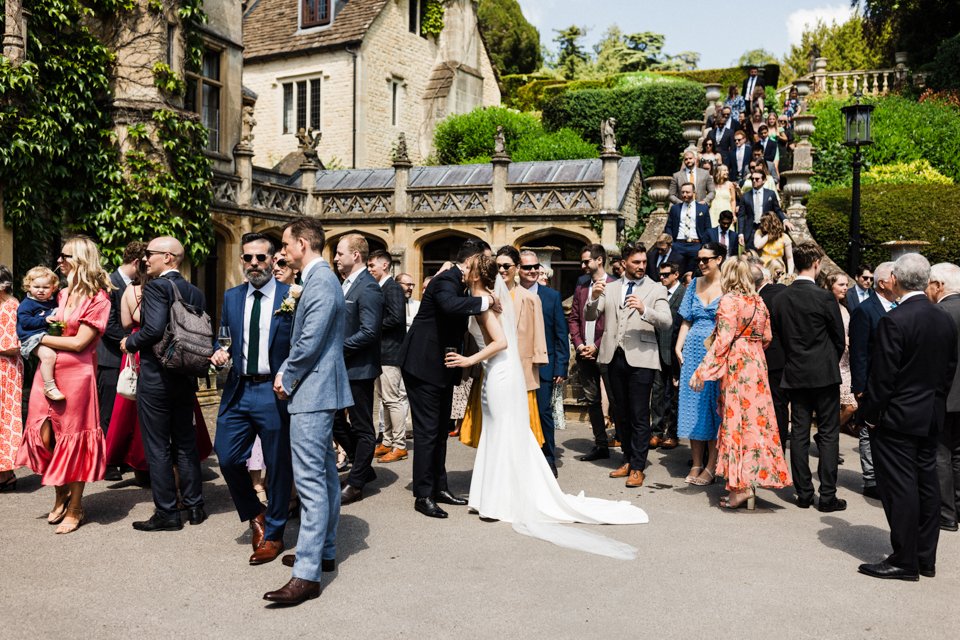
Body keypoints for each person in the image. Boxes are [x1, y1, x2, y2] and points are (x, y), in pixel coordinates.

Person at [445, 254, 649, 559]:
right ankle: (490, 497)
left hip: (500, 370)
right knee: (499, 434)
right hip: (497, 372)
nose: (463, 270)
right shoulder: (482, 295)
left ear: (476, 274)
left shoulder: (485, 300)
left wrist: (468, 360)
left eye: (468, 267)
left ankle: (500, 501)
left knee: (503, 433)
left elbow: (500, 341)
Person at [264, 217, 352, 605]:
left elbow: (309, 341)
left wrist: (287, 375)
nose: (282, 252)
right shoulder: (320, 279)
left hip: (313, 390)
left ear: (302, 243)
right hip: (321, 389)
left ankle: (307, 574)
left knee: (311, 480)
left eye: (285, 245)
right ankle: (324, 551)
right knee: (326, 475)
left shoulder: (319, 282)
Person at [858, 253, 958, 582]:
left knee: (900, 488)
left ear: (897, 281)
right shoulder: (942, 318)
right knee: (926, 485)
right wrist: (935, 403)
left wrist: (871, 415)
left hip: (897, 417)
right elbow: (948, 370)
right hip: (929, 413)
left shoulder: (895, 320)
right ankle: (924, 558)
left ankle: (904, 559)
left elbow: (883, 377)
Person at [16, 237, 111, 534]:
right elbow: (32, 319)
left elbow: (80, 342)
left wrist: (34, 340)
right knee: (45, 437)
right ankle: (60, 492)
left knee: (74, 440)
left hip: (77, 376)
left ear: (80, 259)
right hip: (48, 373)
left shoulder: (99, 298)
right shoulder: (61, 294)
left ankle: (75, 506)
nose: (59, 261)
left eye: (64, 256)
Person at [210, 233, 294, 565]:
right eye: (247, 258)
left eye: (261, 257)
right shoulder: (232, 297)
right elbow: (224, 337)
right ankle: (254, 512)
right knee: (227, 456)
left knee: (277, 463)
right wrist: (220, 352)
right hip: (238, 387)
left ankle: (273, 533)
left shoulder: (292, 296)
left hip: (274, 391)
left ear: (274, 260)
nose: (254, 264)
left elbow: (301, 344)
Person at [400, 239, 493, 519]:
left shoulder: (459, 281)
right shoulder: (445, 280)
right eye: (485, 260)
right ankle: (423, 495)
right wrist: (487, 300)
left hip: (441, 367)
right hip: (422, 365)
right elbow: (451, 306)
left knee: (440, 431)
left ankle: (440, 487)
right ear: (472, 260)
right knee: (428, 433)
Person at [121, 236, 208, 531]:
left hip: (157, 376)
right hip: (185, 375)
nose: (146, 259)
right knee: (185, 442)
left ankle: (168, 512)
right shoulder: (194, 291)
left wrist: (129, 341)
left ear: (168, 257)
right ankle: (195, 507)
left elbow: (154, 330)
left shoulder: (157, 287)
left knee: (158, 446)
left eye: (150, 254)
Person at [691, 257, 791, 509]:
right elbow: (767, 336)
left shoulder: (728, 301)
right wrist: (752, 346)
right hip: (757, 364)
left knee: (736, 424)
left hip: (736, 365)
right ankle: (751, 484)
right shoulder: (759, 301)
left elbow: (723, 340)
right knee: (757, 424)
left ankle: (739, 489)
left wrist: (701, 371)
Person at [104, 259, 213, 486]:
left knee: (154, 436)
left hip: (148, 358)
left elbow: (138, 325)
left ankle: (166, 505)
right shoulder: (194, 291)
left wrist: (131, 341)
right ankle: (193, 501)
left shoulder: (139, 290)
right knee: (184, 435)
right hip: (186, 364)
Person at [585, 242, 672, 488]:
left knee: (639, 414)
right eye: (636, 262)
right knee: (620, 413)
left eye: (644, 262)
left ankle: (638, 466)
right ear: (624, 263)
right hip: (613, 356)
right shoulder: (610, 288)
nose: (642, 266)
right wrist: (592, 298)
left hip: (642, 358)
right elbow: (590, 316)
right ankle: (626, 458)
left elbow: (666, 321)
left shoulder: (656, 289)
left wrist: (645, 311)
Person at [771, 242, 846, 512]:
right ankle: (827, 496)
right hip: (824, 372)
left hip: (795, 371)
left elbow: (777, 336)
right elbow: (839, 338)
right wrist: (827, 361)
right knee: (828, 434)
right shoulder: (825, 298)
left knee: (799, 433)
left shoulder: (780, 299)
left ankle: (803, 493)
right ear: (815, 263)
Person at [332, 234, 383, 505]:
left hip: (360, 368)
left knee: (362, 426)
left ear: (356, 256)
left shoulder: (369, 288)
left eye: (340, 253)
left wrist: (336, 347)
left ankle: (357, 482)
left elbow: (369, 332)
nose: (336, 257)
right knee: (334, 421)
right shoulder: (344, 284)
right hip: (341, 367)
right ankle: (365, 468)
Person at [675, 242, 725, 485]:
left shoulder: (727, 286)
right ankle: (695, 463)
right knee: (693, 407)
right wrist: (678, 346)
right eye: (699, 260)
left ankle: (711, 466)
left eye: (706, 259)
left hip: (716, 352)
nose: (702, 264)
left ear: (719, 259)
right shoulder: (694, 284)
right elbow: (686, 320)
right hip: (692, 350)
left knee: (713, 408)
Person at [488, 246, 548, 448]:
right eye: (498, 266)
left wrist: (539, 362)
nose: (502, 270)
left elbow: (539, 333)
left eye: (506, 266)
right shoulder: (487, 296)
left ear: (516, 268)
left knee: (522, 422)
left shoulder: (530, 298)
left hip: (521, 367)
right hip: (494, 366)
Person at [519, 250, 569, 476]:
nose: (532, 271)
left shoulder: (551, 296)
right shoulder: (511, 295)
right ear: (519, 270)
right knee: (518, 414)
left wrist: (561, 366)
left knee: (543, 412)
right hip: (517, 365)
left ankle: (548, 457)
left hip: (544, 366)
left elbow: (561, 333)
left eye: (535, 266)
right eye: (527, 267)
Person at [849, 262, 895, 499]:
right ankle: (871, 479)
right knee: (868, 430)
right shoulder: (865, 310)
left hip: (892, 383)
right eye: (894, 277)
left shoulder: (899, 307)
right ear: (883, 282)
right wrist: (859, 388)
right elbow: (859, 351)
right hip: (870, 382)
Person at [570, 244, 616, 462]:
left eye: (586, 261)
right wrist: (580, 345)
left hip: (606, 351)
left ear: (600, 260)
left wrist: (596, 345)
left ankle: (626, 445)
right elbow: (574, 318)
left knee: (616, 399)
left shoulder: (615, 285)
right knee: (592, 400)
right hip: (584, 352)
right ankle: (600, 444)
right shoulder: (581, 286)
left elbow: (615, 324)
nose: (583, 265)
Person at [96, 242, 143, 457]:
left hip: (130, 356)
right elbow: (107, 323)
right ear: (136, 262)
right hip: (112, 357)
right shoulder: (109, 283)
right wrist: (131, 341)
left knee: (127, 411)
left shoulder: (141, 283)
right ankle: (109, 461)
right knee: (109, 410)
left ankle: (123, 455)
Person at [925, 263, 960, 532]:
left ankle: (946, 513)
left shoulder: (938, 313)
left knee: (941, 453)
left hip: (945, 394)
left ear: (939, 285)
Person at [367, 249, 408, 464]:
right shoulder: (382, 287)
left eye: (372, 265)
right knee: (384, 399)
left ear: (385, 265)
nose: (369, 269)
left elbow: (396, 318)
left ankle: (400, 445)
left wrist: (371, 327)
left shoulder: (392, 288)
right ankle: (388, 440)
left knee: (392, 400)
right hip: (380, 352)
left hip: (390, 352)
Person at [650, 261, 685, 451]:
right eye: (660, 274)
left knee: (674, 396)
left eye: (665, 275)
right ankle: (656, 432)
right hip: (657, 351)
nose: (661, 278)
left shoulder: (684, 294)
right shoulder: (659, 293)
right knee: (657, 393)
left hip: (676, 351)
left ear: (676, 275)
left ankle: (672, 433)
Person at [755, 263, 789, 452]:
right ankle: (779, 446)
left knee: (769, 404)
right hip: (785, 356)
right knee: (780, 404)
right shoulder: (783, 291)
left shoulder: (759, 298)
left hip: (768, 355)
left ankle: (768, 446)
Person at [15, 266, 61, 399]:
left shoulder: (52, 301)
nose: (41, 290)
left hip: (44, 335)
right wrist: (45, 320)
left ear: (53, 288)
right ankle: (49, 386)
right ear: (29, 286)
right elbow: (26, 323)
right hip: (31, 337)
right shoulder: (27, 304)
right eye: (36, 287)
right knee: (48, 356)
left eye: (45, 287)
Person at [823, 272, 858, 430]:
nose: (845, 288)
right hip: (832, 361)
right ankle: (828, 435)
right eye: (841, 285)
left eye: (846, 285)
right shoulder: (825, 306)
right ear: (831, 286)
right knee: (833, 406)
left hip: (846, 362)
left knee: (851, 406)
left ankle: (827, 433)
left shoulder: (845, 307)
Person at [0, 266, 23, 492]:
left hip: (6, 371)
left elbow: (13, 346)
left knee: (5, 418)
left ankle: (6, 474)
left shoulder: (10, 307)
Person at [664, 182, 712, 277]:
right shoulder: (675, 209)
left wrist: (702, 246)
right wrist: (672, 243)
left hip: (696, 246)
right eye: (682, 192)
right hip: (678, 246)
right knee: (674, 273)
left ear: (694, 193)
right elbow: (668, 226)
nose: (684, 195)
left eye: (687, 192)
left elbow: (708, 229)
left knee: (693, 276)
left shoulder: (703, 209)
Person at [739, 172, 786, 252]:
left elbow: (777, 210)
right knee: (751, 256)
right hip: (751, 230)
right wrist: (740, 233)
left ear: (764, 180)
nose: (754, 181)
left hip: (766, 228)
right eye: (752, 179)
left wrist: (785, 220)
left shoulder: (771, 194)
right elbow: (741, 216)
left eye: (757, 179)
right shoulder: (745, 196)